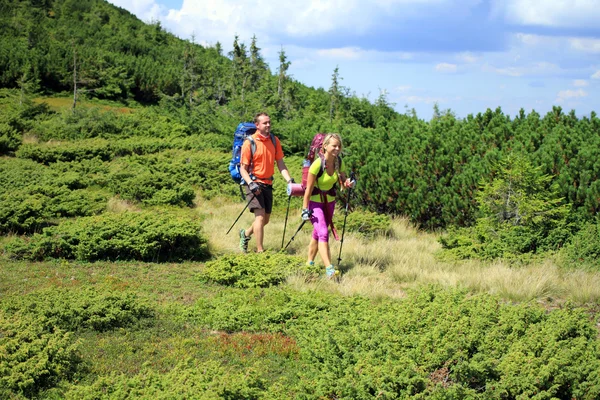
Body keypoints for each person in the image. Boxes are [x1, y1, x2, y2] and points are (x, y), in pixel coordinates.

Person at [239, 112, 293, 253]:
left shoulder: (274, 141)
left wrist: (289, 180)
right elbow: (243, 169)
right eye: (265, 123)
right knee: (260, 216)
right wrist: (251, 183)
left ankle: (244, 234)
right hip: (254, 183)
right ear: (257, 125)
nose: (268, 125)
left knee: (265, 220)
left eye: (269, 122)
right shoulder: (249, 142)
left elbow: (280, 163)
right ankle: (260, 251)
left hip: (268, 184)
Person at [301, 133, 354, 278]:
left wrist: (347, 182)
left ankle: (309, 264)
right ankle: (329, 268)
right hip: (315, 202)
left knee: (317, 233)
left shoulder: (339, 162)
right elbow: (309, 190)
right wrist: (305, 209)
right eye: (334, 146)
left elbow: (342, 180)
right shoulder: (317, 164)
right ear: (325, 146)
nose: (337, 148)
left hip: (329, 202)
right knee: (323, 232)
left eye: (339, 146)